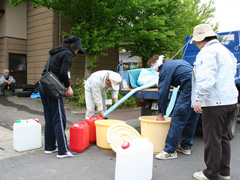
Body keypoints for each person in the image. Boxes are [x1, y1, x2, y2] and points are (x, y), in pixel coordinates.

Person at [191, 24, 238, 180]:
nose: (196, 45)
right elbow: (233, 72)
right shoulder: (226, 51)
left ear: (201, 39)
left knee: (212, 139)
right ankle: (224, 172)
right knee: (223, 137)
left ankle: (211, 173)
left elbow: (206, 77)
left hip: (215, 102)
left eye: (196, 42)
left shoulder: (207, 52)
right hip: (230, 100)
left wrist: (199, 99)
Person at [39, 36, 86, 159]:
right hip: (52, 88)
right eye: (77, 50)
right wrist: (68, 87)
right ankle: (63, 150)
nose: (77, 52)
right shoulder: (67, 54)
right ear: (74, 47)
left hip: (43, 85)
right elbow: (63, 72)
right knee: (59, 119)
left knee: (49, 118)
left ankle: (49, 147)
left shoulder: (55, 53)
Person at [149, 56, 200, 160]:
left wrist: (160, 113)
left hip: (188, 86)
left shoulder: (165, 70)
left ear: (156, 67)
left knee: (178, 117)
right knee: (192, 117)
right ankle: (186, 146)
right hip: (198, 86)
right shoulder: (174, 63)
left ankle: (170, 150)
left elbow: (163, 92)